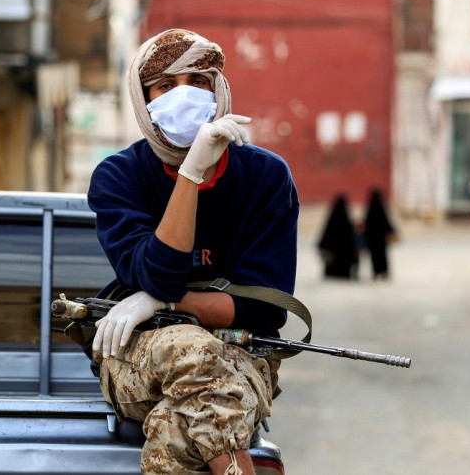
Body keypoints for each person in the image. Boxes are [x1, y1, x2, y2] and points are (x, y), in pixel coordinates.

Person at [86, 29, 299, 474]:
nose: (184, 95)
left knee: (175, 429)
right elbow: (159, 271)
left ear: (218, 88)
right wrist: (191, 173)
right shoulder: (118, 177)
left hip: (241, 356)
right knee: (190, 349)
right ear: (144, 99)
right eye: (165, 86)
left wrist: (164, 301)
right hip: (134, 356)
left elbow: (263, 311)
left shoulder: (266, 177)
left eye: (198, 81)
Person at [317, 194, 359, 280]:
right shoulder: (347, 222)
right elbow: (352, 239)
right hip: (345, 263)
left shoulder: (332, 221)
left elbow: (325, 237)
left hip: (332, 265)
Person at [362, 188, 397, 280]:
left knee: (374, 256)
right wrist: (391, 232)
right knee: (382, 256)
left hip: (372, 239)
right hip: (381, 239)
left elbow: (366, 224)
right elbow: (386, 223)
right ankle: (384, 271)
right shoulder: (382, 210)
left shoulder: (370, 210)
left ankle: (376, 272)